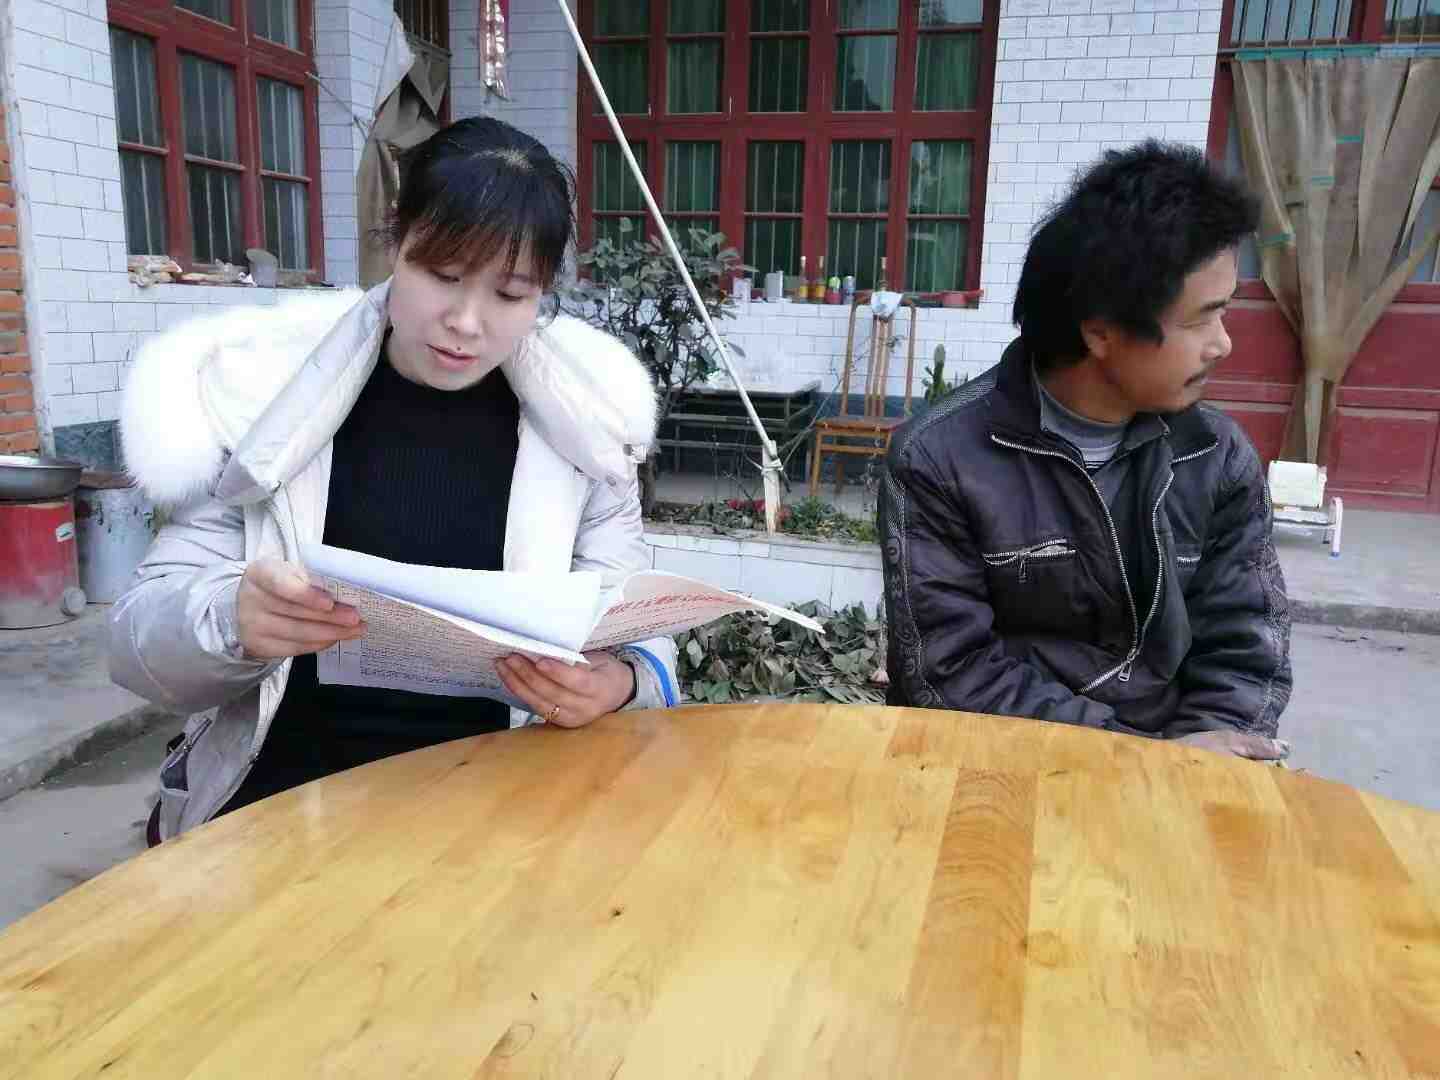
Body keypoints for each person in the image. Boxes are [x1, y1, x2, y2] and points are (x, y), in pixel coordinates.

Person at [111, 117, 680, 842]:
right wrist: (232, 621)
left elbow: (637, 629)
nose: (466, 322)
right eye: (442, 275)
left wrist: (618, 683)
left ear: (542, 295)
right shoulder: (269, 403)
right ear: (395, 244)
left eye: (510, 294)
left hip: (489, 813)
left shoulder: (586, 436)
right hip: (281, 803)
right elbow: (134, 641)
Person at [879, 141, 1291, 758]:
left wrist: (1201, 759)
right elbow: (951, 671)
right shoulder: (940, 459)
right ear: (1100, 330)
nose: (1223, 344)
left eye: (1224, 313)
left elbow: (1244, 645)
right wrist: (1138, 758)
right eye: (1201, 319)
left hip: (1183, 759)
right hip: (996, 762)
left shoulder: (1214, 456)